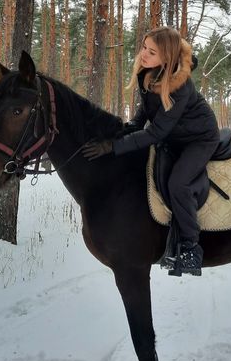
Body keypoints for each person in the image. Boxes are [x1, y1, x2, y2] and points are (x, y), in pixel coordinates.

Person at [82, 26, 220, 275]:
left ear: (166, 57)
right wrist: (130, 127)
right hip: (174, 135)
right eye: (144, 47)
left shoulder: (180, 86)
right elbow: (146, 108)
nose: (144, 54)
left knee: (179, 183)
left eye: (152, 52)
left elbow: (156, 132)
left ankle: (190, 246)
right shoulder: (148, 71)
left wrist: (113, 147)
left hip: (198, 139)